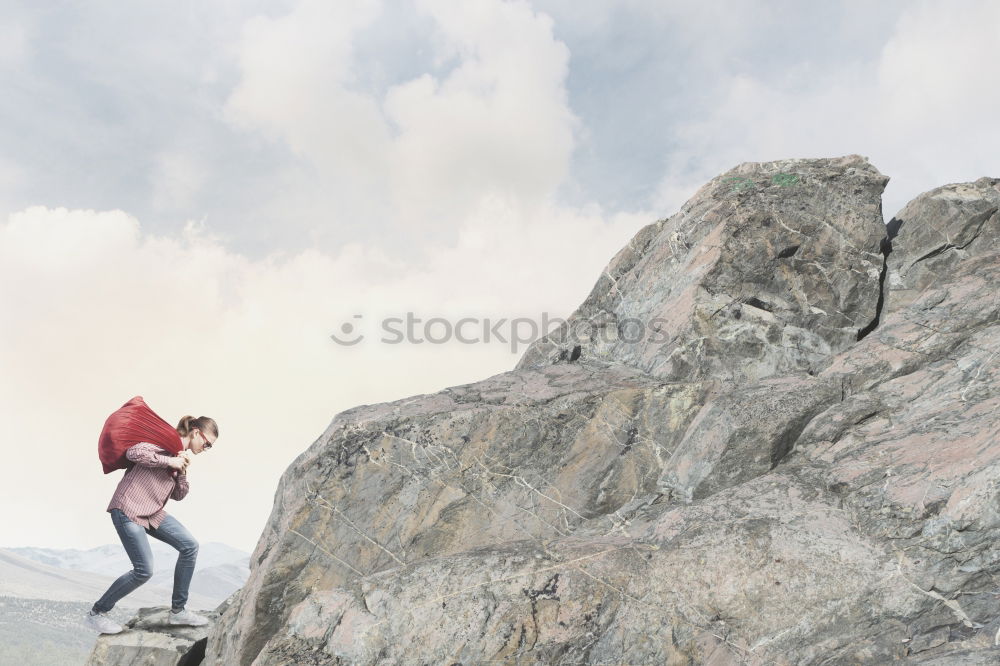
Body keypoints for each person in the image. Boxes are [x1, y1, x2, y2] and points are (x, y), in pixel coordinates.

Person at [85, 414, 219, 634]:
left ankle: (178, 612)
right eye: (207, 443)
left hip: (152, 512)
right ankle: (97, 613)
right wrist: (170, 461)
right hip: (128, 509)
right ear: (196, 432)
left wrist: (181, 473)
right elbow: (134, 452)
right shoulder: (162, 441)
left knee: (190, 546)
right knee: (144, 571)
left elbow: (179, 495)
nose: (206, 448)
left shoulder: (179, 456)